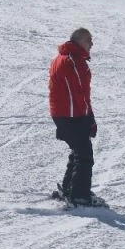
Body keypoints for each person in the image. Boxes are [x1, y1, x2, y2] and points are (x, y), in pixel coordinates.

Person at [48, 28, 105, 207]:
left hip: (63, 113)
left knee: (78, 152)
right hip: (71, 115)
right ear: (79, 40)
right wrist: (89, 118)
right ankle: (79, 196)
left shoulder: (61, 58)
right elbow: (80, 93)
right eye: (89, 40)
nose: (92, 44)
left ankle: (69, 188)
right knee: (84, 155)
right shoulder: (74, 61)